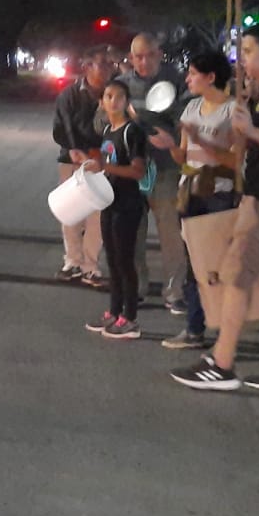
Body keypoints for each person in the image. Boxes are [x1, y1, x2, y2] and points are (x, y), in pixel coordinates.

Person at [171, 21, 259, 396]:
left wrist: (251, 130)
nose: (242, 59)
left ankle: (222, 363)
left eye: (248, 51)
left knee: (235, 274)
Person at [147, 49, 238, 349]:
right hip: (191, 192)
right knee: (194, 264)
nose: (187, 78)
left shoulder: (233, 111)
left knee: (216, 266)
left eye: (193, 73)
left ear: (211, 77)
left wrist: (200, 140)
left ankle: (226, 335)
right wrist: (171, 144)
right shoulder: (191, 109)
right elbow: (183, 157)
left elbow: (237, 160)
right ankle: (194, 329)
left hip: (220, 194)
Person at [121, 33, 188, 312]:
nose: (143, 61)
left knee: (170, 233)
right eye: (138, 56)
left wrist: (168, 134)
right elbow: (106, 119)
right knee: (132, 232)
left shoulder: (176, 80)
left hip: (165, 168)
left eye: (149, 54)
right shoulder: (122, 84)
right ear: (131, 57)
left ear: (159, 53)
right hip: (132, 169)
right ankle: (136, 287)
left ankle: (175, 291)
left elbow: (186, 118)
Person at [84, 80, 149, 340]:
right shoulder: (109, 130)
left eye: (119, 97)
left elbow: (137, 170)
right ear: (101, 102)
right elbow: (105, 164)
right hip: (110, 202)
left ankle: (130, 318)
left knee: (125, 261)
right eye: (109, 96)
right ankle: (114, 311)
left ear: (127, 101)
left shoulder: (131, 131)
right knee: (111, 259)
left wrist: (105, 168)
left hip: (128, 203)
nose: (113, 101)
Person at [52, 50, 113, 287]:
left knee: (97, 214)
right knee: (71, 211)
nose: (107, 69)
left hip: (102, 160)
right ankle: (73, 261)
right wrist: (73, 149)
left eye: (109, 64)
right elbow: (62, 126)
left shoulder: (113, 94)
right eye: (101, 64)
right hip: (72, 158)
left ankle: (91, 265)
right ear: (87, 67)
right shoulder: (70, 95)